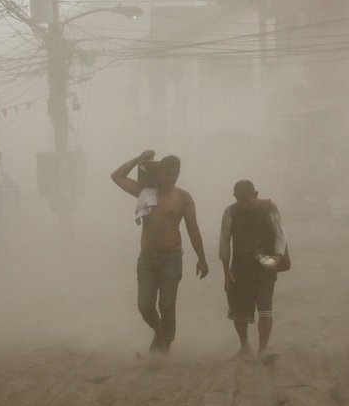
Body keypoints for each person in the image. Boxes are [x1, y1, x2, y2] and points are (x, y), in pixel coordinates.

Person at [111, 150, 209, 355]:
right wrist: (139, 159)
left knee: (167, 303)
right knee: (144, 305)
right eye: (167, 175)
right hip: (147, 257)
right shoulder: (145, 191)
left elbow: (193, 228)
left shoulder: (183, 198)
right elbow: (117, 176)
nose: (171, 179)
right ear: (158, 173)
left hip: (171, 257)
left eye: (175, 175)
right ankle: (159, 330)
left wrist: (202, 258)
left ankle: (165, 346)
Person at [219, 180, 286, 361]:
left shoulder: (270, 208)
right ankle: (245, 346)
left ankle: (263, 349)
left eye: (247, 200)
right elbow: (224, 241)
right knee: (239, 312)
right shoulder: (230, 212)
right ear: (235, 198)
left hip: (264, 265)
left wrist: (277, 258)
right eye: (240, 200)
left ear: (255, 195)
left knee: (265, 307)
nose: (244, 205)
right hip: (239, 267)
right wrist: (226, 271)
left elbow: (280, 234)